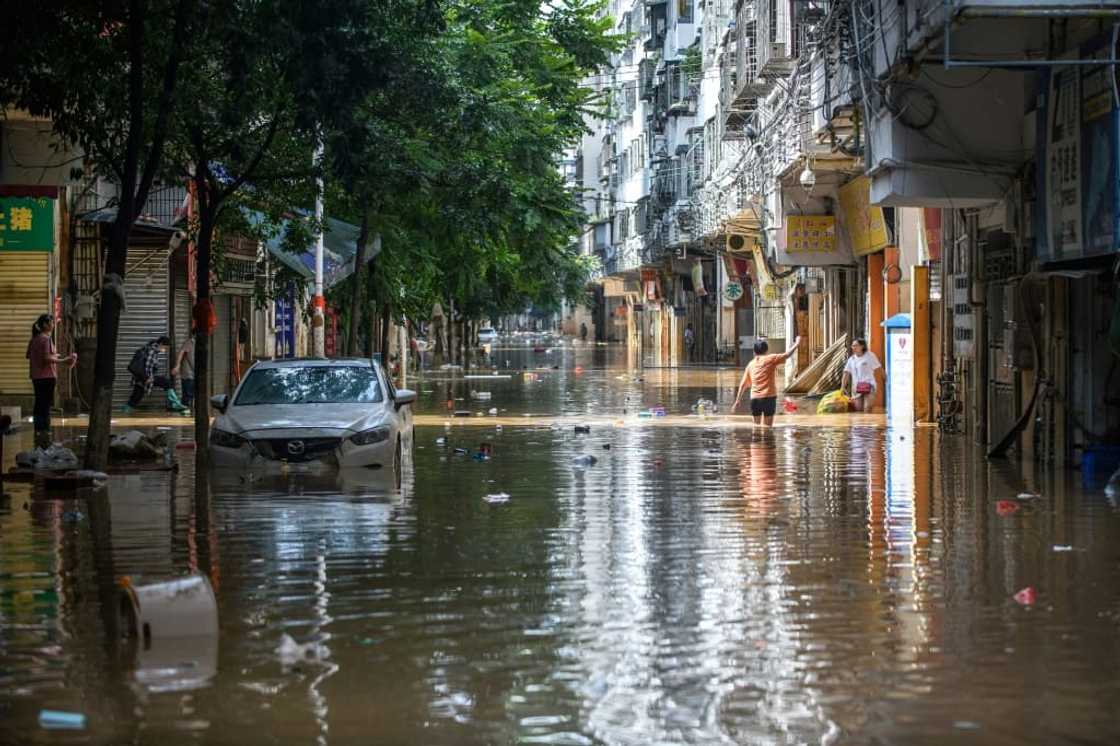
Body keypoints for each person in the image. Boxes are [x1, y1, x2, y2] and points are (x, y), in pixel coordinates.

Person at [26, 314, 77, 448]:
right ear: (44, 325)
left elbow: (29, 355)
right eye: (51, 323)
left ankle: (38, 430)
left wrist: (54, 355)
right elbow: (47, 359)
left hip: (36, 377)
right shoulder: (46, 339)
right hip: (47, 376)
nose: (53, 325)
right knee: (46, 406)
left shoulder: (34, 339)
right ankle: (45, 432)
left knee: (38, 404)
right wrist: (64, 360)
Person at [733, 336, 802, 426]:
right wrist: (797, 343)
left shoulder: (750, 364)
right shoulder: (771, 358)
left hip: (755, 399)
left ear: (754, 352)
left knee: (756, 427)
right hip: (768, 397)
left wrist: (737, 401)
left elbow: (743, 385)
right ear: (766, 350)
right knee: (767, 428)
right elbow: (787, 355)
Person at [123, 336, 188, 414]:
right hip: (144, 378)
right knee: (137, 396)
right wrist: (146, 379)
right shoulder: (152, 351)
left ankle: (176, 404)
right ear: (161, 344)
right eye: (165, 347)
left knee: (165, 383)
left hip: (144, 377)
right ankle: (125, 411)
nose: (165, 350)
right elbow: (147, 366)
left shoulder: (151, 349)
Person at [842, 337, 883, 413]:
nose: (853, 347)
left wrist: (885, 378)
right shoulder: (851, 359)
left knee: (867, 408)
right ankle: (861, 424)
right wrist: (842, 387)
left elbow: (879, 367)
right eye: (852, 346)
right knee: (858, 410)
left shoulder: (870, 356)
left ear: (862, 346)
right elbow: (846, 373)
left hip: (870, 385)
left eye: (855, 345)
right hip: (857, 387)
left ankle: (868, 423)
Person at [170, 328, 196, 409]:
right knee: (187, 394)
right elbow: (181, 352)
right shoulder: (190, 342)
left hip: (194, 373)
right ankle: (185, 410)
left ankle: (188, 410)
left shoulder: (197, 343)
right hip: (188, 373)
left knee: (191, 394)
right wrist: (177, 365)